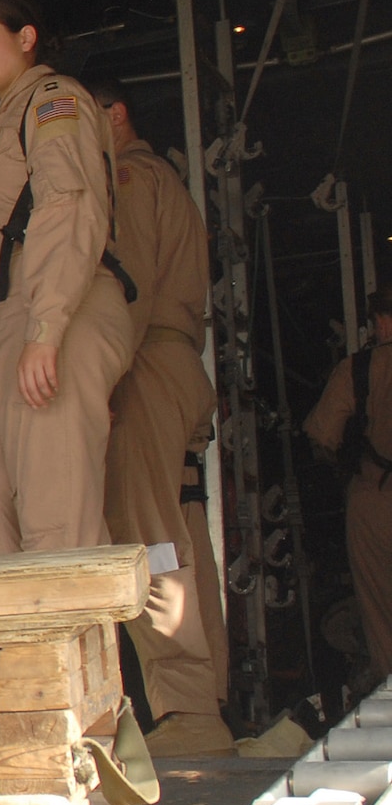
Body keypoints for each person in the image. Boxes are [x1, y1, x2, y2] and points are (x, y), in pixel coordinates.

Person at [0, 0, 134, 558]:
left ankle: (74, 648)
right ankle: (9, 647)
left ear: (26, 39)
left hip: (57, 308)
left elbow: (65, 207)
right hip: (13, 324)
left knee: (56, 527)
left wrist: (46, 332)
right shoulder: (7, 124)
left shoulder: (53, 102)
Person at [87, 78, 232, 757]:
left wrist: (107, 372)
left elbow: (131, 285)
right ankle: (206, 701)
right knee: (179, 533)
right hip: (176, 364)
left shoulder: (131, 180)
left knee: (148, 538)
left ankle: (185, 709)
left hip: (145, 362)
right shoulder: (169, 182)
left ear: (114, 116)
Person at [304, 284, 392, 689]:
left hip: (374, 497)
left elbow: (322, 433)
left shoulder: (358, 369)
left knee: (378, 607)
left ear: (380, 321)